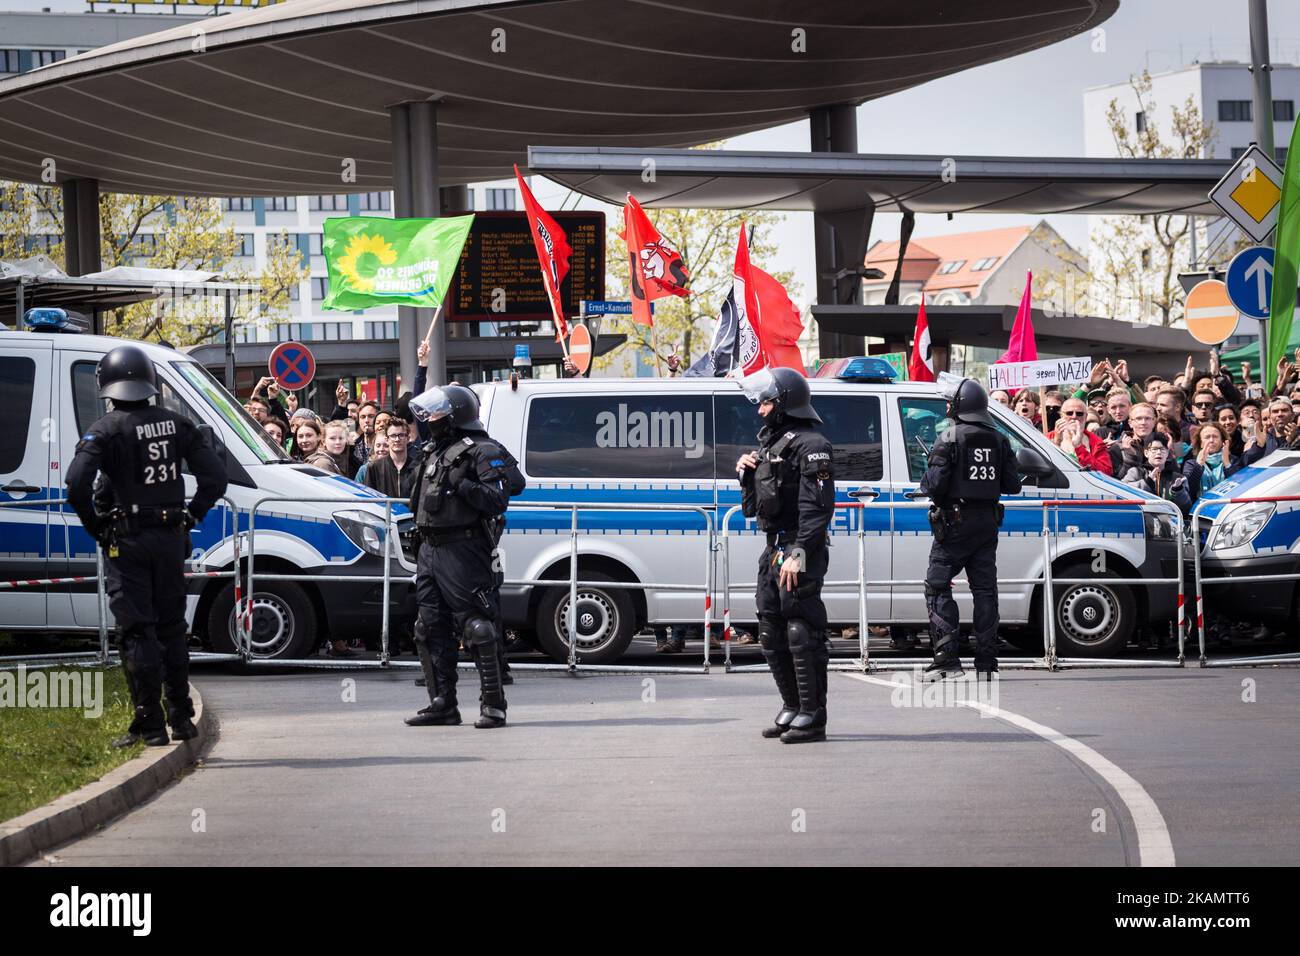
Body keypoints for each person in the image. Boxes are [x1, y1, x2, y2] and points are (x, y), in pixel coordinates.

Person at [65, 345, 227, 746]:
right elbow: (216, 479)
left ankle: (150, 726)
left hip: (127, 540)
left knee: (137, 631)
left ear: (107, 385)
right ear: (150, 383)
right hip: (171, 537)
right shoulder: (178, 425)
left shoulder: (106, 429)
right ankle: (182, 719)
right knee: (172, 627)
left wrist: (96, 526)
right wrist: (192, 515)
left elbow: (75, 483)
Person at [406, 384, 525, 729]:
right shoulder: (433, 450)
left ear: (456, 414)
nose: (431, 420)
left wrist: (464, 485)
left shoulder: (481, 450)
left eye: (438, 413)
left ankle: (493, 705)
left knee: (477, 626)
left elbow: (499, 497)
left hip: (464, 549)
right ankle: (442, 703)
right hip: (429, 548)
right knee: (428, 627)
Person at [736, 367, 835, 743]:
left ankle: (814, 714)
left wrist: (798, 552)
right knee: (770, 627)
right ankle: (792, 706)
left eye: (766, 401)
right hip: (775, 545)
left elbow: (818, 509)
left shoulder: (813, 446)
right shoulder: (771, 446)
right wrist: (745, 474)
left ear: (785, 403)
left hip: (799, 546)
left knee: (801, 627)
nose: (760, 409)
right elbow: (753, 510)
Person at [917, 377, 1021, 681]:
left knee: (937, 586)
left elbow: (933, 486)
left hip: (954, 524)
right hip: (987, 523)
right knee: (985, 591)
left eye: (951, 402)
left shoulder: (949, 437)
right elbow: (1012, 485)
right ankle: (987, 662)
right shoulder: (1000, 439)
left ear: (960, 405)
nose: (948, 406)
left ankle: (947, 659)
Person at [1121, 434, 1192, 517]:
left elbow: (1186, 509)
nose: (1159, 452)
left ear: (1167, 453)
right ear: (1146, 453)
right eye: (1154, 449)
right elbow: (1123, 493)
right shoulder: (1135, 472)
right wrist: (1147, 483)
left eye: (1162, 449)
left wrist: (1178, 491)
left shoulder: (1178, 478)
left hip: (1170, 525)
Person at [1048, 397, 1113, 475]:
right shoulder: (1048, 437)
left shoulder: (1095, 441)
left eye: (1079, 414)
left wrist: (1079, 447)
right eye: (1069, 413)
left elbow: (1106, 473)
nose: (1074, 416)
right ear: (1061, 415)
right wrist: (1056, 442)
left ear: (1086, 417)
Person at [1183, 422, 1240, 504]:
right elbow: (1188, 488)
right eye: (1207, 437)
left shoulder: (1233, 461)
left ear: (1222, 441)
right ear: (1201, 443)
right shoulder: (1191, 464)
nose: (1211, 440)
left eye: (1215, 437)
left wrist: (1227, 464)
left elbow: (1239, 486)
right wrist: (1199, 465)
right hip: (1199, 510)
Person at [364, 419, 420, 498]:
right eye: (393, 436)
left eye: (401, 435)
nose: (397, 439)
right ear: (387, 439)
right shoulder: (374, 467)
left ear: (408, 438)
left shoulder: (417, 467)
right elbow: (369, 499)